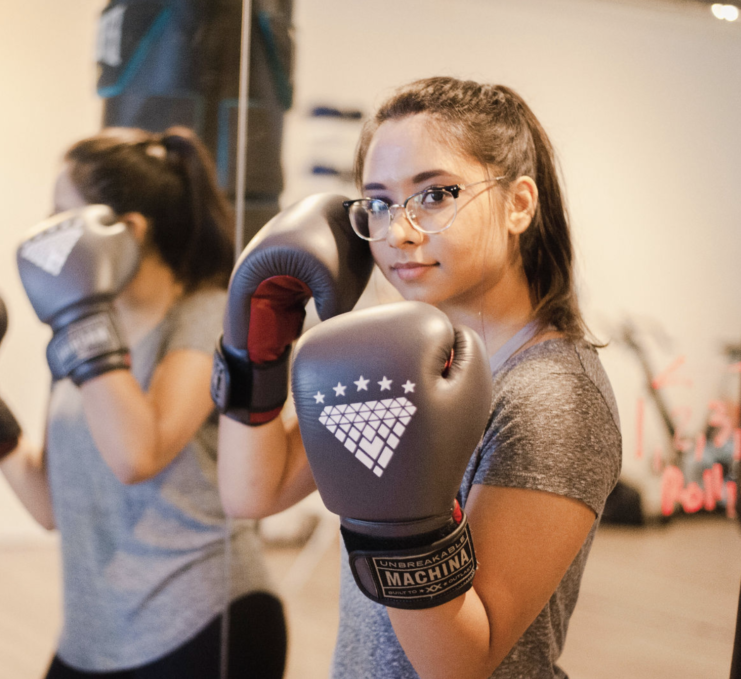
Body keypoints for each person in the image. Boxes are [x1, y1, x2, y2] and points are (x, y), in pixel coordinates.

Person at [214, 77, 622, 678]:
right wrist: (255, 345)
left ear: (519, 205)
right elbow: (253, 492)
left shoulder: (553, 397)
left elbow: (461, 662)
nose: (398, 232)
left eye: (435, 195)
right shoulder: (400, 360)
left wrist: (398, 525)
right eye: (377, 202)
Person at [0, 126, 287, 678]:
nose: (43, 234)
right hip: (93, 634)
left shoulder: (206, 317)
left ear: (126, 231)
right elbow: (50, 506)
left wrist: (80, 321)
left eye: (60, 216)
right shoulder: (80, 329)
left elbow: (137, 456)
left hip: (202, 621)